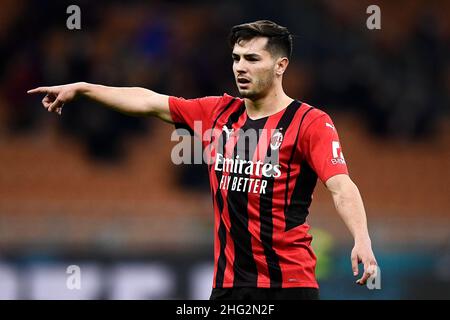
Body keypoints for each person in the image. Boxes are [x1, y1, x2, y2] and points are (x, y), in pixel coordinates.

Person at [28, 20, 377, 300]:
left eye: (252, 59)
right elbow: (148, 101)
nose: (241, 66)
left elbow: (341, 186)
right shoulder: (217, 112)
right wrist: (86, 88)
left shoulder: (310, 122)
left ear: (280, 65)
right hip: (227, 287)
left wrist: (361, 238)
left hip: (288, 285)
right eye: (237, 58)